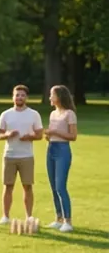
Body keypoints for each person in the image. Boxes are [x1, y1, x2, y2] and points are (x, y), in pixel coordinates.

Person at [0, 84, 43, 225]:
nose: (19, 97)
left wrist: (30, 136)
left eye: (22, 95)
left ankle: (28, 216)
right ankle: (5, 216)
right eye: (17, 95)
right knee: (8, 186)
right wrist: (8, 134)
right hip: (9, 155)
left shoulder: (34, 114)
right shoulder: (6, 114)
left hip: (26, 156)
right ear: (13, 97)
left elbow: (40, 134)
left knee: (27, 186)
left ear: (26, 97)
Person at [43, 84, 77, 232]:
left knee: (60, 186)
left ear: (60, 97)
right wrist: (48, 135)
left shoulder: (69, 114)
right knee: (53, 186)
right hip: (51, 148)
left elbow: (73, 136)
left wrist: (55, 131)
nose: (50, 97)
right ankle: (59, 218)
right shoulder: (52, 114)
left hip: (63, 150)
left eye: (52, 95)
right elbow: (53, 134)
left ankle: (68, 221)